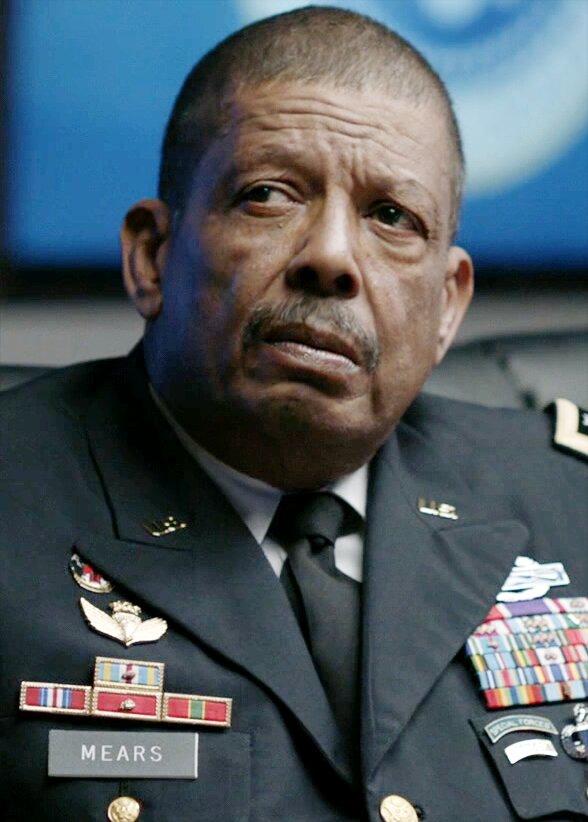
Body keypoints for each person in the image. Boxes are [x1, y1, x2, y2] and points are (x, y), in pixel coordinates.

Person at [1, 6, 586, 821]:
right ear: (152, 257)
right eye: (268, 196)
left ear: (448, 307)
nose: (332, 257)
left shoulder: (570, 505)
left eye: (392, 217)